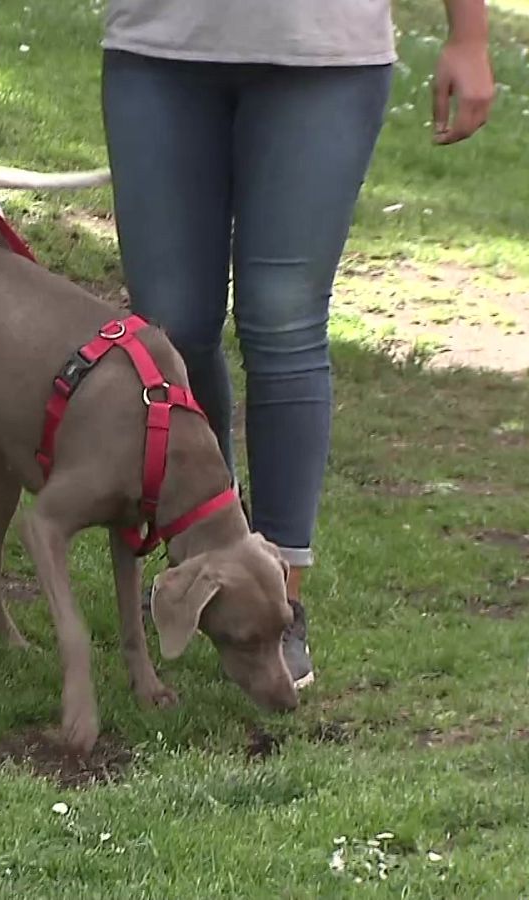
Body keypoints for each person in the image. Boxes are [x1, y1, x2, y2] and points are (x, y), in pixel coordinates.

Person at [100, 1, 494, 688]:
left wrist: (469, 34)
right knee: (172, 331)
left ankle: (281, 596)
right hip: (158, 48)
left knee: (282, 320)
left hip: (324, 53)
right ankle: (208, 569)